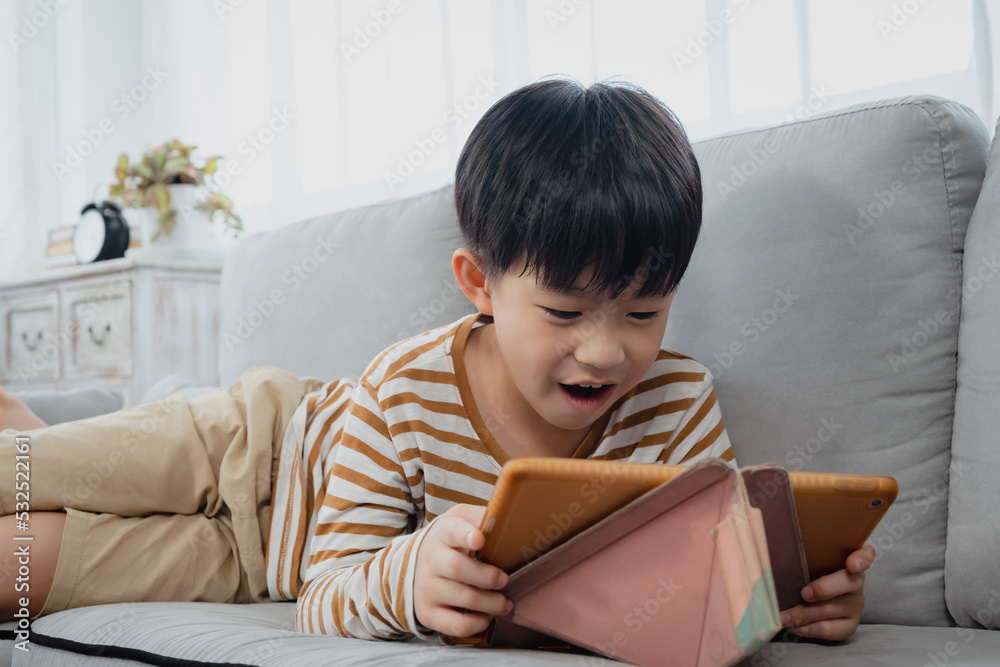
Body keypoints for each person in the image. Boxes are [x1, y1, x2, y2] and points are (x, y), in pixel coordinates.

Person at [0, 77, 874, 648]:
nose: (608, 349)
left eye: (645, 311)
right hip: (254, 445)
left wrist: (794, 603)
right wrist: (406, 571)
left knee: (16, 570)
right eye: (565, 311)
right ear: (479, 285)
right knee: (19, 472)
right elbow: (338, 582)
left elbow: (312, 590)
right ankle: (30, 432)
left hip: (249, 560)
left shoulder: (678, 406)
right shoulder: (406, 384)